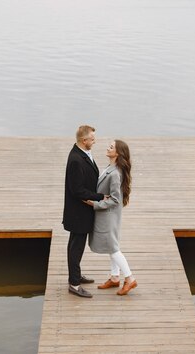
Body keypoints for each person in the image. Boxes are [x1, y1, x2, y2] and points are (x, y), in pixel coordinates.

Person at [85, 139, 137, 296]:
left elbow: (115, 200)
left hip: (108, 218)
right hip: (107, 217)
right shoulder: (111, 168)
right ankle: (115, 278)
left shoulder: (115, 173)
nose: (108, 148)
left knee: (113, 249)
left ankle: (130, 278)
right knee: (111, 247)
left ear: (118, 153)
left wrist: (95, 204)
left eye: (111, 147)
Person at [62, 125, 105, 298]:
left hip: (82, 212)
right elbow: (77, 190)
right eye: (92, 139)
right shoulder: (75, 160)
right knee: (76, 247)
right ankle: (74, 284)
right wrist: (100, 196)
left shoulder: (83, 154)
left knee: (75, 245)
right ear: (83, 140)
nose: (94, 142)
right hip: (78, 212)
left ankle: (76, 275)